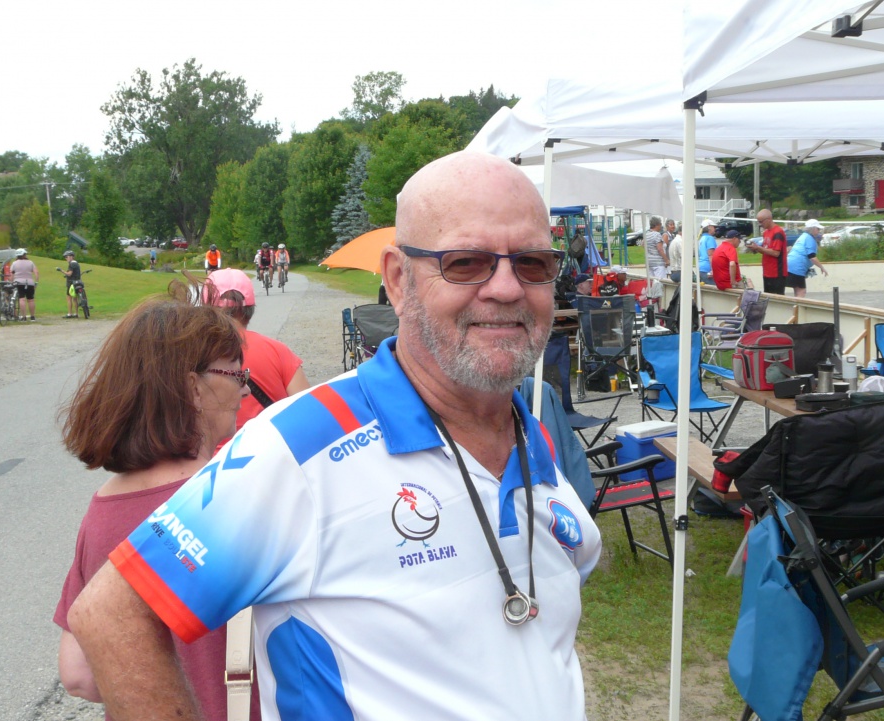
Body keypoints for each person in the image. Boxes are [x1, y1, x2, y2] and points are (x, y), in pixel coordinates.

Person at [66, 151, 602, 721]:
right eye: (466, 262)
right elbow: (111, 616)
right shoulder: (299, 445)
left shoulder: (533, 436)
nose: (507, 288)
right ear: (398, 280)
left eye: (533, 263)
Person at [54, 298, 255, 720]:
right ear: (192, 389)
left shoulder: (102, 509)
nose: (245, 390)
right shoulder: (241, 495)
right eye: (237, 374)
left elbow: (79, 675)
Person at [201, 268, 311, 432]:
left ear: (205, 310)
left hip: (212, 449)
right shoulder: (278, 351)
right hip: (268, 446)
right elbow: (309, 413)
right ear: (250, 309)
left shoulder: (190, 353)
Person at [747, 209, 788, 295]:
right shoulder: (766, 233)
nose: (760, 224)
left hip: (777, 273)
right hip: (767, 272)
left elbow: (776, 253)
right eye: (758, 222)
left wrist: (759, 248)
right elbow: (766, 250)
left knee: (776, 299)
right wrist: (756, 249)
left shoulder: (778, 232)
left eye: (761, 222)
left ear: (768, 219)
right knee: (768, 298)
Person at [786, 219, 829, 298]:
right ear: (813, 229)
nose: (819, 231)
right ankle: (798, 306)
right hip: (797, 268)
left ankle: (796, 305)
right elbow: (812, 257)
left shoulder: (803, 236)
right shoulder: (810, 239)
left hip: (789, 266)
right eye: (818, 229)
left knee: (797, 290)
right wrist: (822, 267)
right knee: (801, 292)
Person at [10, 248, 39, 321]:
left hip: (19, 283)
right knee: (31, 300)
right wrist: (36, 282)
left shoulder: (14, 263)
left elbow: (12, 274)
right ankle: (32, 317)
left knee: (22, 299)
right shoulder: (30, 262)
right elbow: (36, 272)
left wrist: (11, 282)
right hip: (29, 283)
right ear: (24, 255)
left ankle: (24, 317)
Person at [697, 218, 719, 285]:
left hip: (700, 267)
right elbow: (711, 255)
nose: (715, 228)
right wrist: (713, 270)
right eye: (713, 227)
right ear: (709, 227)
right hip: (708, 268)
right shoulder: (710, 238)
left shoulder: (701, 239)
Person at [61, 249, 82, 318]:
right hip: (78, 282)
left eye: (66, 257)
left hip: (71, 283)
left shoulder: (71, 264)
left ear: (71, 257)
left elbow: (69, 274)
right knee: (75, 298)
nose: (66, 258)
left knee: (69, 298)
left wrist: (62, 271)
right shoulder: (76, 263)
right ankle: (76, 313)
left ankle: (69, 313)